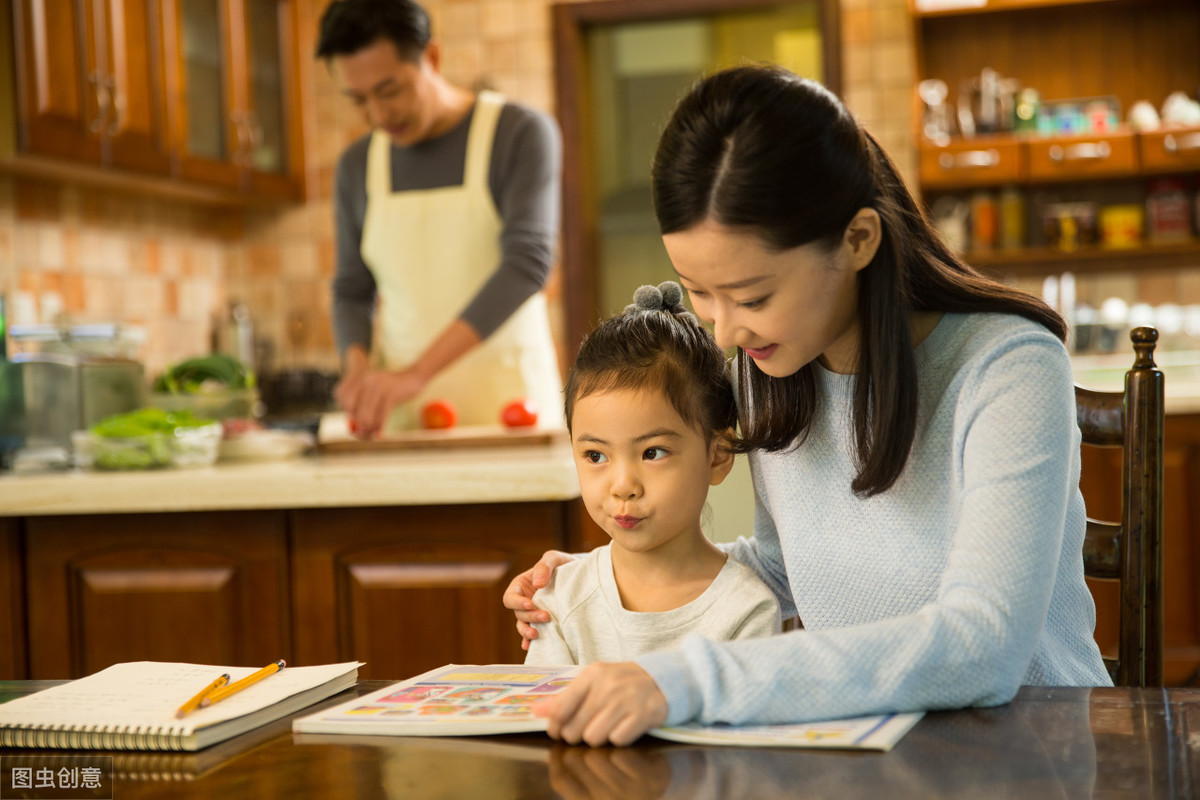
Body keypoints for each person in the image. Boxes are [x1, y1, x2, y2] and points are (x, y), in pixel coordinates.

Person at [503, 64, 1111, 747]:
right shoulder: (772, 363)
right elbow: (789, 570)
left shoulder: (1008, 367)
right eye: (699, 292)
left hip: (1027, 756)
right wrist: (610, 577)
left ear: (857, 241)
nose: (725, 332)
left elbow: (983, 643)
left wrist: (685, 678)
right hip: (865, 758)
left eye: (753, 297)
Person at [315, 0, 563, 437]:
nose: (378, 115)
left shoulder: (519, 134)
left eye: (389, 90)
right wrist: (357, 370)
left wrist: (416, 372)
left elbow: (528, 264)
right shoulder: (357, 166)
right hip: (407, 419)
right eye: (358, 100)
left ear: (431, 57)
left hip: (512, 414)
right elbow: (352, 289)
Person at [524, 282, 781, 666]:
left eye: (652, 452)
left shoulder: (746, 608)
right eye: (595, 455)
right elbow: (544, 719)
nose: (623, 486)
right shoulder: (559, 598)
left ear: (718, 455)